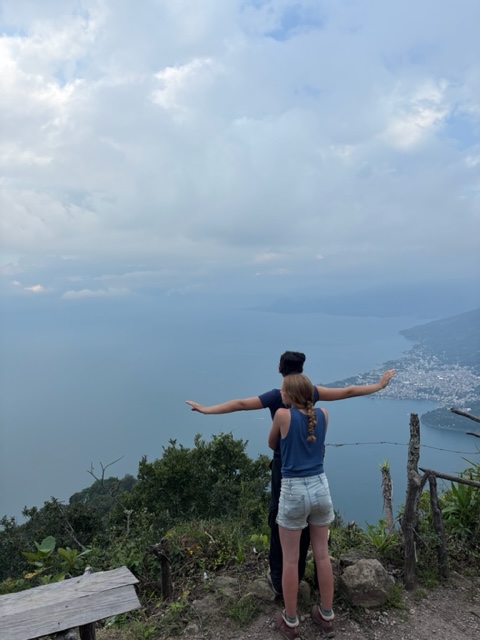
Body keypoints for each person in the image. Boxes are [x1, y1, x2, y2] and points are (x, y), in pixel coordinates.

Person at [186, 352, 395, 596]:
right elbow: (348, 391)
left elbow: (241, 405)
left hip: (285, 470)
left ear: (280, 368)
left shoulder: (277, 397)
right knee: (309, 526)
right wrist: (379, 385)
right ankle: (305, 578)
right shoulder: (311, 393)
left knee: (280, 522)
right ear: (302, 368)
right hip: (314, 471)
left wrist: (207, 410)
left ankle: (280, 580)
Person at [268, 373, 335, 639]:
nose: (280, 394)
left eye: (283, 391)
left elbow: (272, 443)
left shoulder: (282, 415)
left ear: (290, 394)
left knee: (290, 559)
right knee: (322, 555)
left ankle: (291, 620)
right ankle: (326, 615)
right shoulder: (324, 414)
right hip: (321, 486)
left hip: (294, 490)